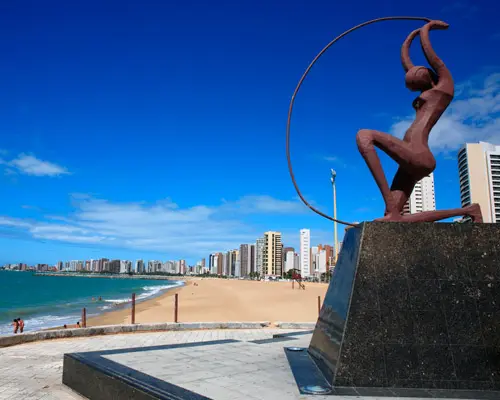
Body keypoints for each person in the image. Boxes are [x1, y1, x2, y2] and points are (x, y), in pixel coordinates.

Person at [355, 20, 482, 223]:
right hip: (411, 156)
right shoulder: (427, 88)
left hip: (418, 153)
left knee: (364, 135)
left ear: (428, 77)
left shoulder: (443, 90)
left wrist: (426, 30)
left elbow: (434, 60)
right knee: (393, 219)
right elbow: (408, 64)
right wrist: (409, 39)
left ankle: (390, 203)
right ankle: (469, 210)